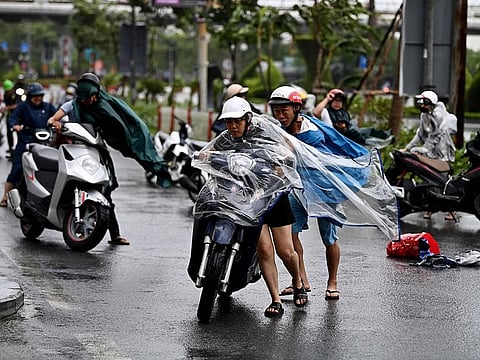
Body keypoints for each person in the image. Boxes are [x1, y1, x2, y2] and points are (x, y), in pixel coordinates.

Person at [268, 85, 398, 301]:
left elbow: (294, 151)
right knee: (290, 235)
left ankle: (332, 282)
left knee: (329, 238)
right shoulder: (281, 129)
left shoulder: (310, 132)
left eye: (285, 110)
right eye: (277, 111)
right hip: (298, 188)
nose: (280, 115)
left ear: (296, 108)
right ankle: (300, 280)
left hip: (323, 189)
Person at [195, 96, 307, 317]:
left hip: (273, 198)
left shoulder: (264, 132)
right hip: (247, 201)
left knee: (286, 251)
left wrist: (279, 166)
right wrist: (204, 155)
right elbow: (212, 152)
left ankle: (298, 281)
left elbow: (286, 154)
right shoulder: (226, 138)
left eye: (237, 121)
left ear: (247, 119)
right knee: (264, 250)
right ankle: (275, 299)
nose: (232, 127)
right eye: (228, 122)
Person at [46, 73, 169, 245]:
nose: (87, 101)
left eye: (90, 97)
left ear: (96, 93)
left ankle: (115, 234)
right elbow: (55, 117)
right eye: (84, 98)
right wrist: (55, 122)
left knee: (105, 191)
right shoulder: (72, 105)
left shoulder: (109, 105)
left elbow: (127, 125)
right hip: (74, 150)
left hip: (96, 152)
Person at [401, 90, 457, 220]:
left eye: (424, 102)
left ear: (431, 103)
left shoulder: (440, 116)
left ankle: (451, 209)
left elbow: (436, 136)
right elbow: (420, 134)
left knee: (443, 181)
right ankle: (430, 208)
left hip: (442, 153)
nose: (422, 105)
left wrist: (423, 149)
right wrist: (408, 148)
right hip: (430, 153)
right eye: (420, 102)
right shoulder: (424, 116)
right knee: (428, 180)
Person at [0, 82, 57, 207]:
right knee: (17, 169)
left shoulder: (48, 107)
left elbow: (58, 116)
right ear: (30, 96)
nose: (37, 98)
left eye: (40, 96)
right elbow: (12, 118)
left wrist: (59, 124)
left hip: (43, 144)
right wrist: (15, 126)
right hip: (26, 142)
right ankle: (5, 197)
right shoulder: (23, 107)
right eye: (35, 96)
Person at [1, 79, 19, 158]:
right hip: (9, 116)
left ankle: (19, 149)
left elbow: (18, 105)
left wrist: (7, 107)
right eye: (6, 91)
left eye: (9, 90)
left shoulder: (16, 94)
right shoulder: (5, 95)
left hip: (18, 117)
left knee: (19, 133)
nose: (8, 92)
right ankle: (11, 149)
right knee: (9, 133)